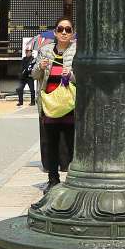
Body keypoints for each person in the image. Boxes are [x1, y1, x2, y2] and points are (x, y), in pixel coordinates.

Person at [33, 18, 78, 185]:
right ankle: (53, 180)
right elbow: (35, 75)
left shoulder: (77, 51)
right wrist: (41, 67)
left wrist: (71, 75)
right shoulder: (45, 51)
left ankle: (72, 181)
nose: (64, 32)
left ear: (72, 33)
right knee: (51, 144)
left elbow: (85, 77)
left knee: (71, 144)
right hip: (50, 104)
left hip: (69, 105)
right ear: (55, 32)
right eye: (61, 29)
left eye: (68, 29)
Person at [15, 35, 37, 107]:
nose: (27, 53)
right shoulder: (24, 59)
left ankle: (33, 102)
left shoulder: (33, 59)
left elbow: (34, 68)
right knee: (19, 89)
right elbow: (21, 67)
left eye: (28, 51)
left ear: (31, 52)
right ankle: (20, 102)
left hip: (30, 77)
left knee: (32, 90)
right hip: (23, 77)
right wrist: (20, 73)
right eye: (26, 51)